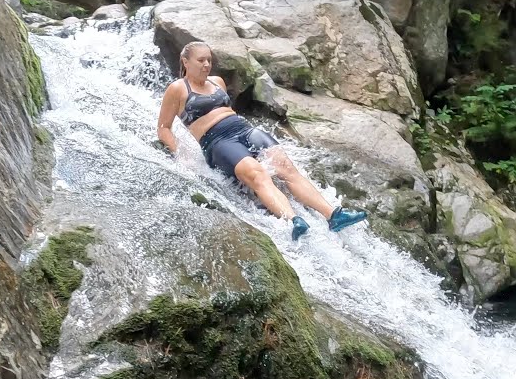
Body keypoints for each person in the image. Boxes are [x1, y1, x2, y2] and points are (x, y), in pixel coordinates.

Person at [156, 41, 367, 241]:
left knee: (286, 168)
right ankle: (294, 220)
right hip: (217, 142)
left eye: (209, 60)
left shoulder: (217, 81)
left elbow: (228, 111)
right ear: (186, 62)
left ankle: (333, 215)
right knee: (257, 174)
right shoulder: (177, 89)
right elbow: (163, 128)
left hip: (244, 129)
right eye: (201, 60)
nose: (207, 65)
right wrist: (180, 153)